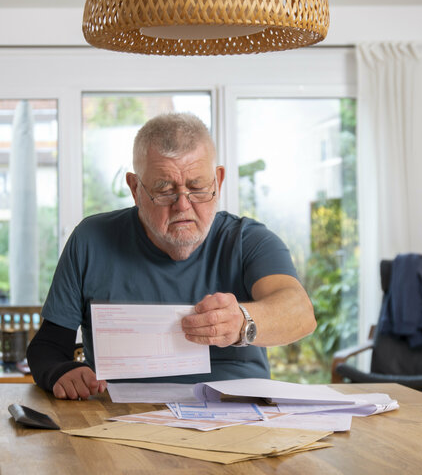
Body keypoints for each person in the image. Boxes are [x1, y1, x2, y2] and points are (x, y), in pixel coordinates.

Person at [27, 112, 316, 400]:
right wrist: (62, 372)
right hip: (121, 419)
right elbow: (48, 346)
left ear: (218, 180)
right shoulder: (91, 240)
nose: (182, 206)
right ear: (135, 188)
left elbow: (300, 312)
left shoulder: (247, 240)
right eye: (164, 190)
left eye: (198, 188)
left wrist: (242, 321)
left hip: (239, 415)